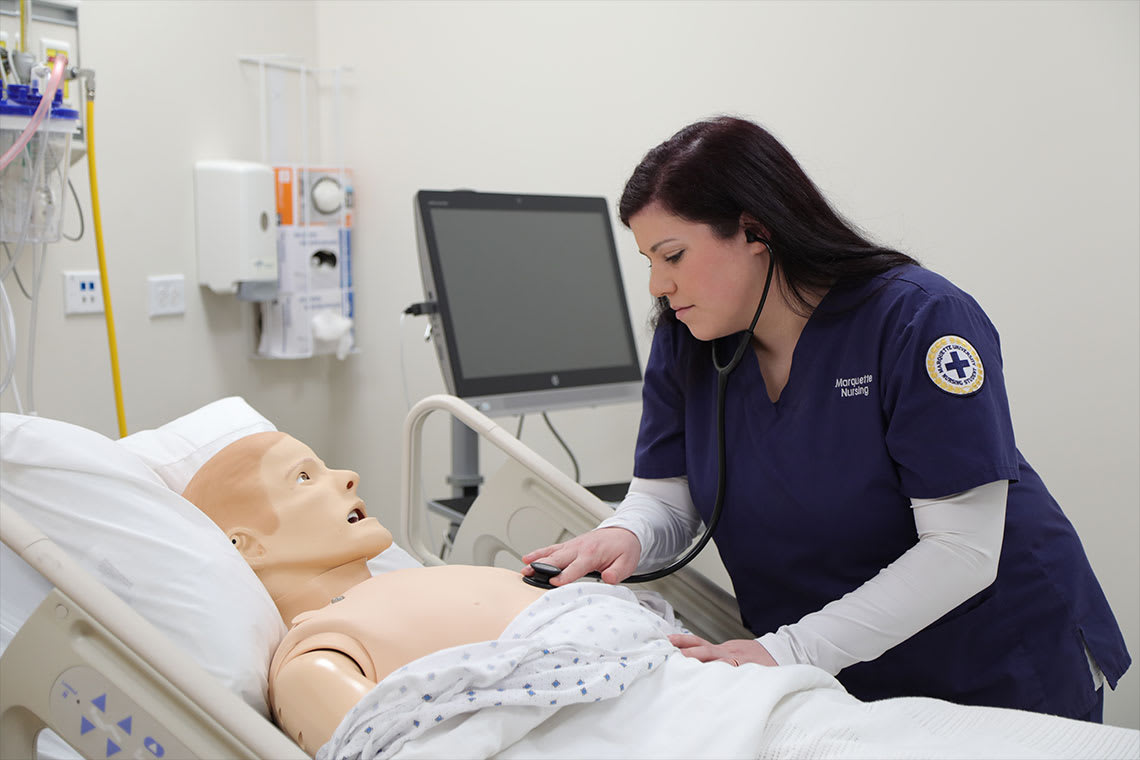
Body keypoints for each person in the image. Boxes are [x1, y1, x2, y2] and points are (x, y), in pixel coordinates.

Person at [521, 115, 1130, 722]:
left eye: (673, 255)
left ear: (754, 230)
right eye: (647, 261)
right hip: (831, 679)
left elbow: (961, 550)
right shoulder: (688, 339)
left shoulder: (918, 319)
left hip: (992, 660)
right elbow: (666, 499)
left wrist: (786, 650)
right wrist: (625, 534)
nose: (659, 284)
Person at [182, 431, 550, 755]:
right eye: (304, 477)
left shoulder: (396, 589)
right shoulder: (317, 656)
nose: (349, 478)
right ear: (247, 547)